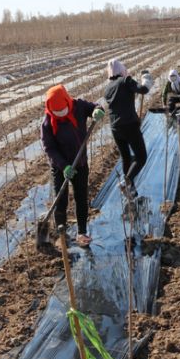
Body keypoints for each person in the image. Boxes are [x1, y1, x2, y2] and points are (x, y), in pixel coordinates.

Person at [41, 84, 105, 246]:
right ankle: (61, 234)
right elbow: (49, 148)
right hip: (61, 167)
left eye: (63, 109)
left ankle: (82, 232)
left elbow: (95, 107)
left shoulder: (78, 106)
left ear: (67, 101)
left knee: (81, 197)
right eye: (57, 112)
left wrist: (98, 110)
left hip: (80, 163)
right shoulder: (48, 122)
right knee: (60, 200)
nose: (61, 113)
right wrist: (64, 166)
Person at [104, 59, 153, 199]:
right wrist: (146, 78)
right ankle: (127, 182)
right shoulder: (126, 80)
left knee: (126, 158)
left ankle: (130, 190)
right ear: (121, 70)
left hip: (115, 128)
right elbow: (143, 89)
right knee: (141, 157)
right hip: (129, 125)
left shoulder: (107, 88)